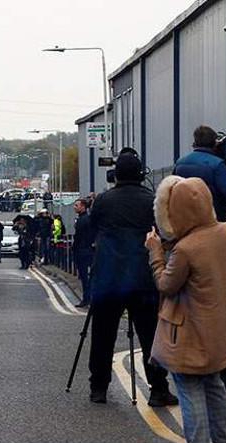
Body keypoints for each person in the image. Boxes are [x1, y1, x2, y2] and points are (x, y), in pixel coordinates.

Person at [146, 175, 226, 443]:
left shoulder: (185, 249)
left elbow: (166, 285)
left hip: (189, 330)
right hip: (219, 327)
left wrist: (156, 252)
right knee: (214, 385)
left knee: (188, 388)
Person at [86, 149, 177, 407]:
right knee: (150, 336)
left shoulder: (103, 200)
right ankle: (159, 389)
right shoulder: (151, 200)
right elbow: (163, 233)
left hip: (108, 278)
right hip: (143, 279)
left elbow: (94, 229)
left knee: (103, 335)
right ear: (140, 174)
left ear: (116, 175)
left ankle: (99, 388)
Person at [173, 125, 226, 223]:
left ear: (195, 143)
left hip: (186, 221)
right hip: (212, 221)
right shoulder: (216, 164)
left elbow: (171, 189)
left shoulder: (180, 163)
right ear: (215, 143)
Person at [72, 198, 94, 308]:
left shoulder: (82, 220)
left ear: (83, 207)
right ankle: (88, 298)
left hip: (82, 250)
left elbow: (78, 237)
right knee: (88, 277)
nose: (74, 207)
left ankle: (86, 299)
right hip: (89, 249)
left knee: (84, 277)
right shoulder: (88, 219)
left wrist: (74, 249)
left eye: (77, 205)